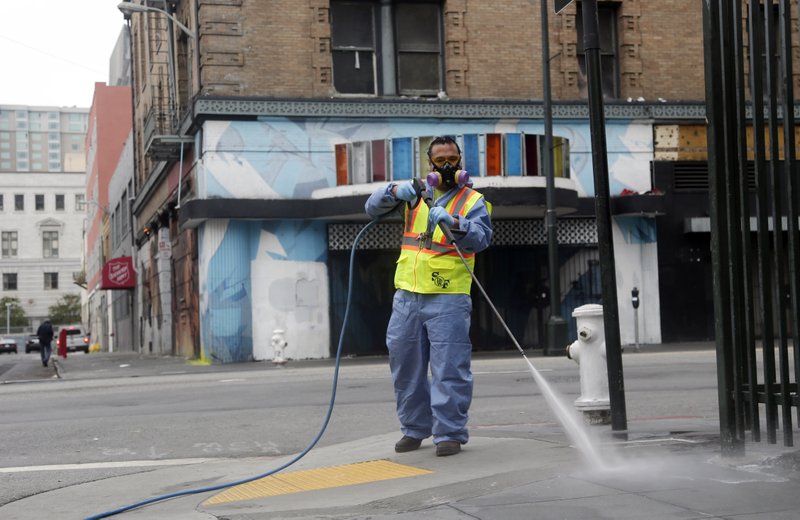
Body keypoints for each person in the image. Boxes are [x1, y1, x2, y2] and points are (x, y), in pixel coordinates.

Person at [365, 135, 493, 457]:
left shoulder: (473, 201)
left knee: (449, 367)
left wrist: (454, 222)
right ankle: (414, 429)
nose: (448, 166)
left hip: (448, 296)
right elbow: (371, 207)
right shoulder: (415, 196)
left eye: (453, 159)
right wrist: (395, 191)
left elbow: (481, 238)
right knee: (405, 365)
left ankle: (449, 433)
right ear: (430, 164)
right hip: (407, 295)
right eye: (441, 160)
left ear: (461, 162)